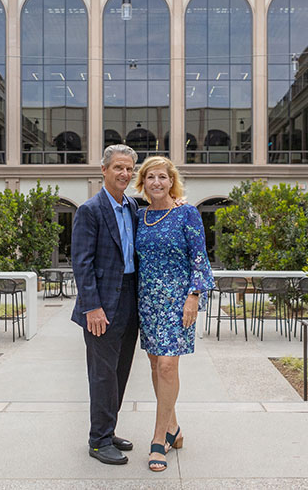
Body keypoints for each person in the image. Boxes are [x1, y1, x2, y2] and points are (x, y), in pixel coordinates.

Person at [133, 156, 214, 473]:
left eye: (162, 177)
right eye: (150, 177)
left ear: (171, 181)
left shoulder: (187, 213)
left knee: (167, 364)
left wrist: (194, 296)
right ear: (143, 181)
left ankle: (158, 439)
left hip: (178, 302)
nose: (156, 182)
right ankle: (175, 428)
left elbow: (199, 258)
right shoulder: (139, 216)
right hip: (148, 301)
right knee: (156, 364)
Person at [71, 144, 139, 465]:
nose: (125, 174)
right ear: (104, 170)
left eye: (129, 169)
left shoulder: (134, 207)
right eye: (118, 168)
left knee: (120, 372)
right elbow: (81, 263)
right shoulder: (90, 210)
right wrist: (91, 307)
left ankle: (108, 429)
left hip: (130, 299)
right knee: (102, 374)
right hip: (101, 305)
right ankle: (98, 441)